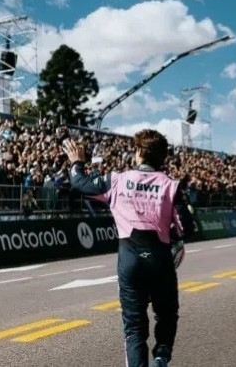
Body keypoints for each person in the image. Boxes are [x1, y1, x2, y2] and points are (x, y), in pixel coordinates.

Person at [63, 130, 196, 367]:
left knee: (134, 329)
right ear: (162, 158)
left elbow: (79, 183)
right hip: (160, 257)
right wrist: (175, 237)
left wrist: (77, 162)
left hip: (130, 258)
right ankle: (161, 357)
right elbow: (188, 226)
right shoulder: (171, 186)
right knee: (167, 315)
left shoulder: (117, 180)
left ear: (139, 153)